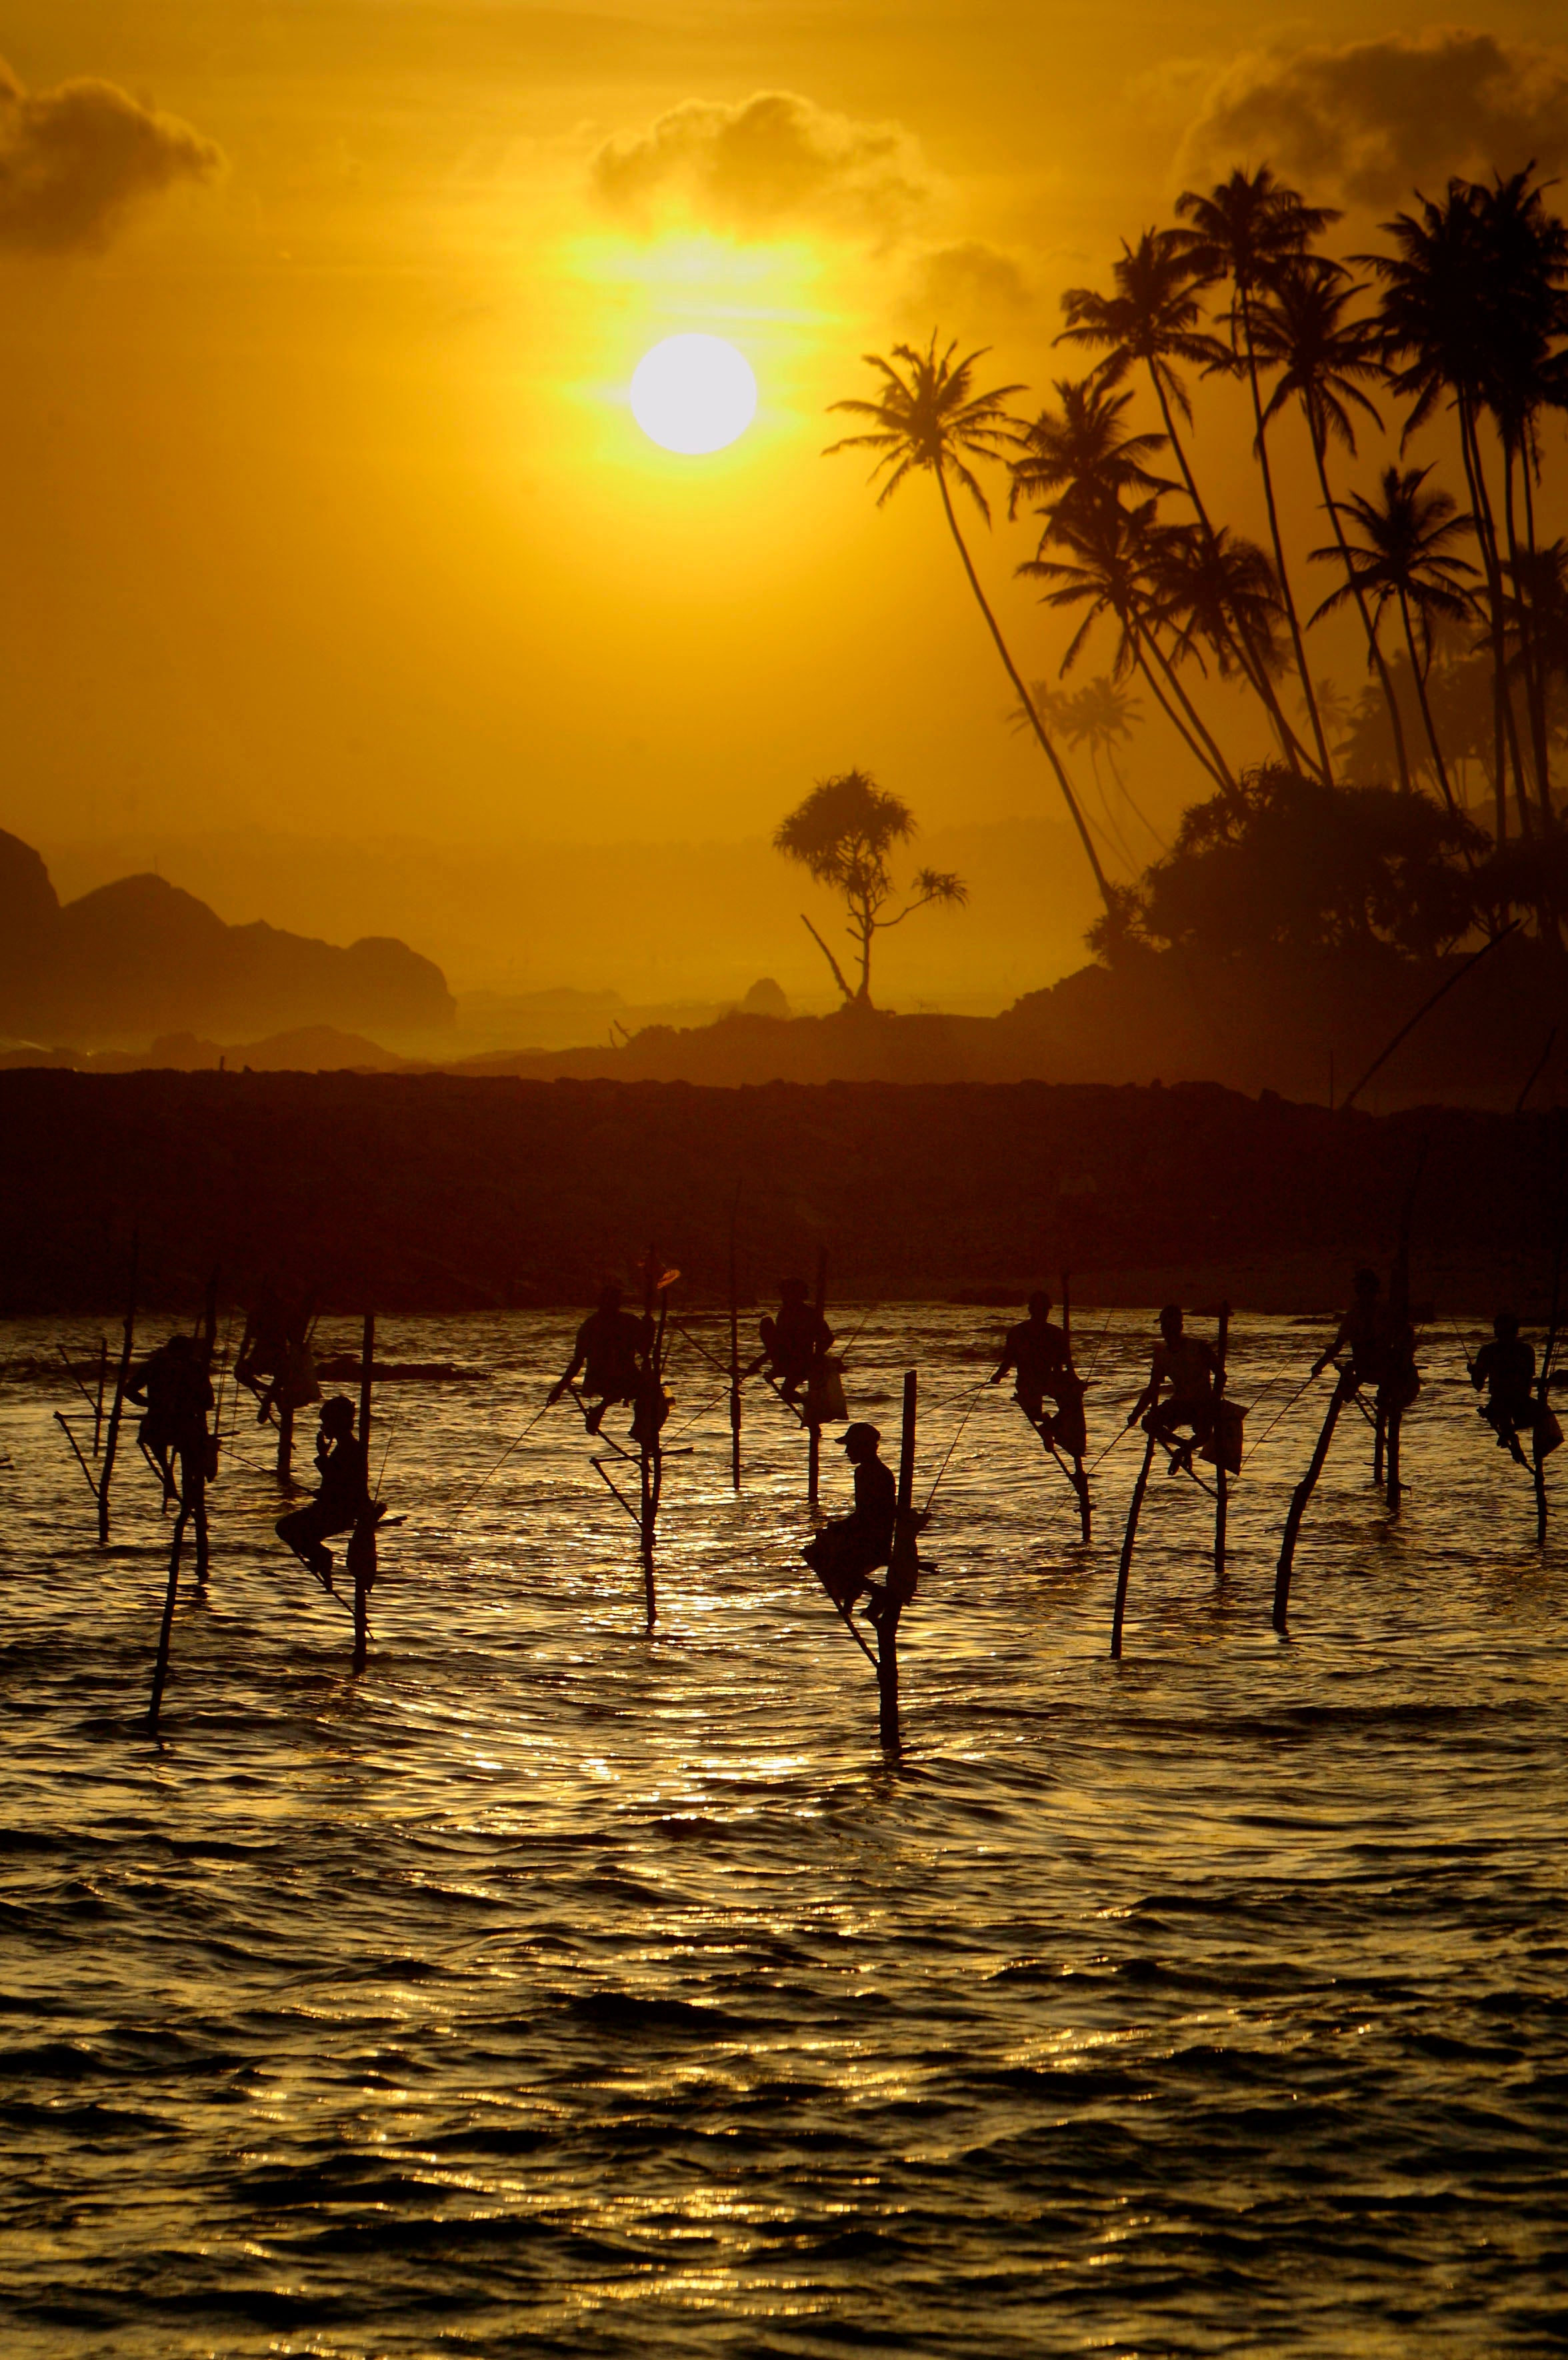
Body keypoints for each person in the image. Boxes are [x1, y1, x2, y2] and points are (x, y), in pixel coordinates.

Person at [803, 1423, 898, 1622]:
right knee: (822, 1547)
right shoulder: (874, 1471)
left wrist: (840, 1527)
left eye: (851, 1446)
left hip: (873, 1542)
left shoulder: (869, 1473)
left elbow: (869, 1515)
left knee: (819, 1554)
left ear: (863, 1447)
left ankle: (872, 1593)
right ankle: (854, 1595)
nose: (847, 1452)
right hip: (874, 1537)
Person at [276, 1397, 371, 1591]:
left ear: (336, 1423)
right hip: (334, 1510)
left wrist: (321, 1457)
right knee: (293, 1530)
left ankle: (322, 1558)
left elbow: (342, 1483)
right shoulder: (345, 1447)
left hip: (337, 1514)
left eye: (326, 1422)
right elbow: (337, 1483)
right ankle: (322, 1559)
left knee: (285, 1528)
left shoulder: (349, 1449)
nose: (323, 1427)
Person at [1311, 1267, 1421, 1417]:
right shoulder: (1375, 1312)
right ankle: (1389, 1405)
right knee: (1405, 1374)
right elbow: (1405, 1334)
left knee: (1402, 1372)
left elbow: (1338, 1345)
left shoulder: (1368, 1312)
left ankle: (1387, 1403)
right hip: (1381, 1370)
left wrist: (1319, 1365)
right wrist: (1319, 1365)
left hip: (1370, 1370)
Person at [549, 1283, 653, 1435]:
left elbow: (645, 1351)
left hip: (618, 1376)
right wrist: (559, 1389)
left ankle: (634, 1425)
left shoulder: (627, 1322)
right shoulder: (594, 1326)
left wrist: (649, 1330)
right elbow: (578, 1361)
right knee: (642, 1389)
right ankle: (605, 1409)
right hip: (603, 1379)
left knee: (647, 1391)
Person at [990, 1290, 1085, 1454]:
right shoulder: (1054, 1333)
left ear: (1030, 1310)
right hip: (1040, 1381)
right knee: (1070, 1404)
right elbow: (1063, 1366)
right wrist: (1074, 1383)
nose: (1044, 1314)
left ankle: (1052, 1429)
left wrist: (997, 1377)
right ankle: (1052, 1429)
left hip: (1030, 1383)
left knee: (1068, 1403)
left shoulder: (1019, 1331)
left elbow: (1007, 1362)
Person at [1126, 1305, 1217, 1475]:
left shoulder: (1198, 1348)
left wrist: (1213, 1402)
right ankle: (1184, 1446)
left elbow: (1220, 1374)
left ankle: (1183, 1450)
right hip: (1180, 1403)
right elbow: (1153, 1388)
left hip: (1202, 1403)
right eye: (1163, 1327)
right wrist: (1136, 1413)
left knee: (1205, 1435)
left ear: (1180, 1328)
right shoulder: (1162, 1355)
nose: (1165, 1331)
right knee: (1148, 1423)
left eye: (1168, 1327)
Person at [128, 1333, 213, 1507]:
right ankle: (184, 1484)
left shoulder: (154, 1365)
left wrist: (151, 1404)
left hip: (160, 1423)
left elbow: (129, 1390)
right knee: (191, 1450)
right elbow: (209, 1402)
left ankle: (168, 1473)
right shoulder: (195, 1367)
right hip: (185, 1424)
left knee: (152, 1438)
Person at [751, 1277, 835, 1407]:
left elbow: (828, 1338)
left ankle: (810, 1404)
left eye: (785, 1294)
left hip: (800, 1363)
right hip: (788, 1360)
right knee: (787, 1393)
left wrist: (816, 1357)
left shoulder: (807, 1314)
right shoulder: (786, 1314)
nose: (782, 1297)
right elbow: (778, 1345)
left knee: (786, 1393)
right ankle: (808, 1403)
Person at [1471, 1311, 1537, 1467]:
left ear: (1495, 1332)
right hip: (1522, 1400)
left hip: (1503, 1402)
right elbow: (1528, 1379)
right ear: (1517, 1331)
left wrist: (1475, 1373)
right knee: (1501, 1405)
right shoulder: (1527, 1350)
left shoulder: (1488, 1352)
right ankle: (1509, 1435)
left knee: (1498, 1405)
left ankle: (1509, 1436)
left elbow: (1478, 1386)